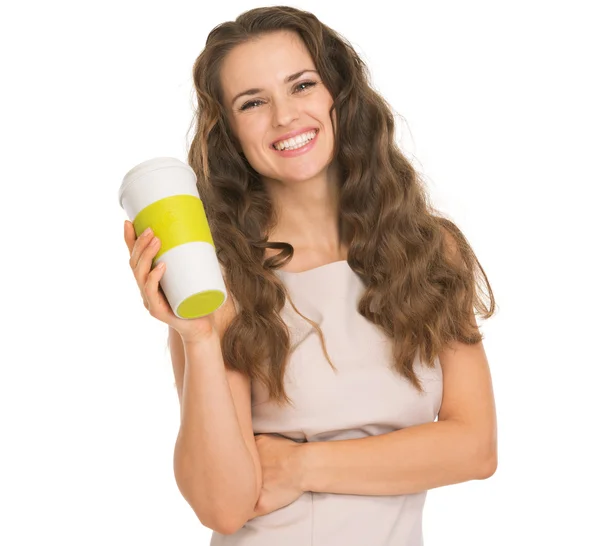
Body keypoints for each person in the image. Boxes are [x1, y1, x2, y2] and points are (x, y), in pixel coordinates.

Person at [123, 5, 497, 545]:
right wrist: (198, 338)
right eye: (253, 102)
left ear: (338, 94)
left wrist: (300, 465)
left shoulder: (427, 250)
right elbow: (224, 507)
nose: (284, 116)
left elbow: (475, 448)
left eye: (301, 86)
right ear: (229, 130)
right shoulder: (220, 277)